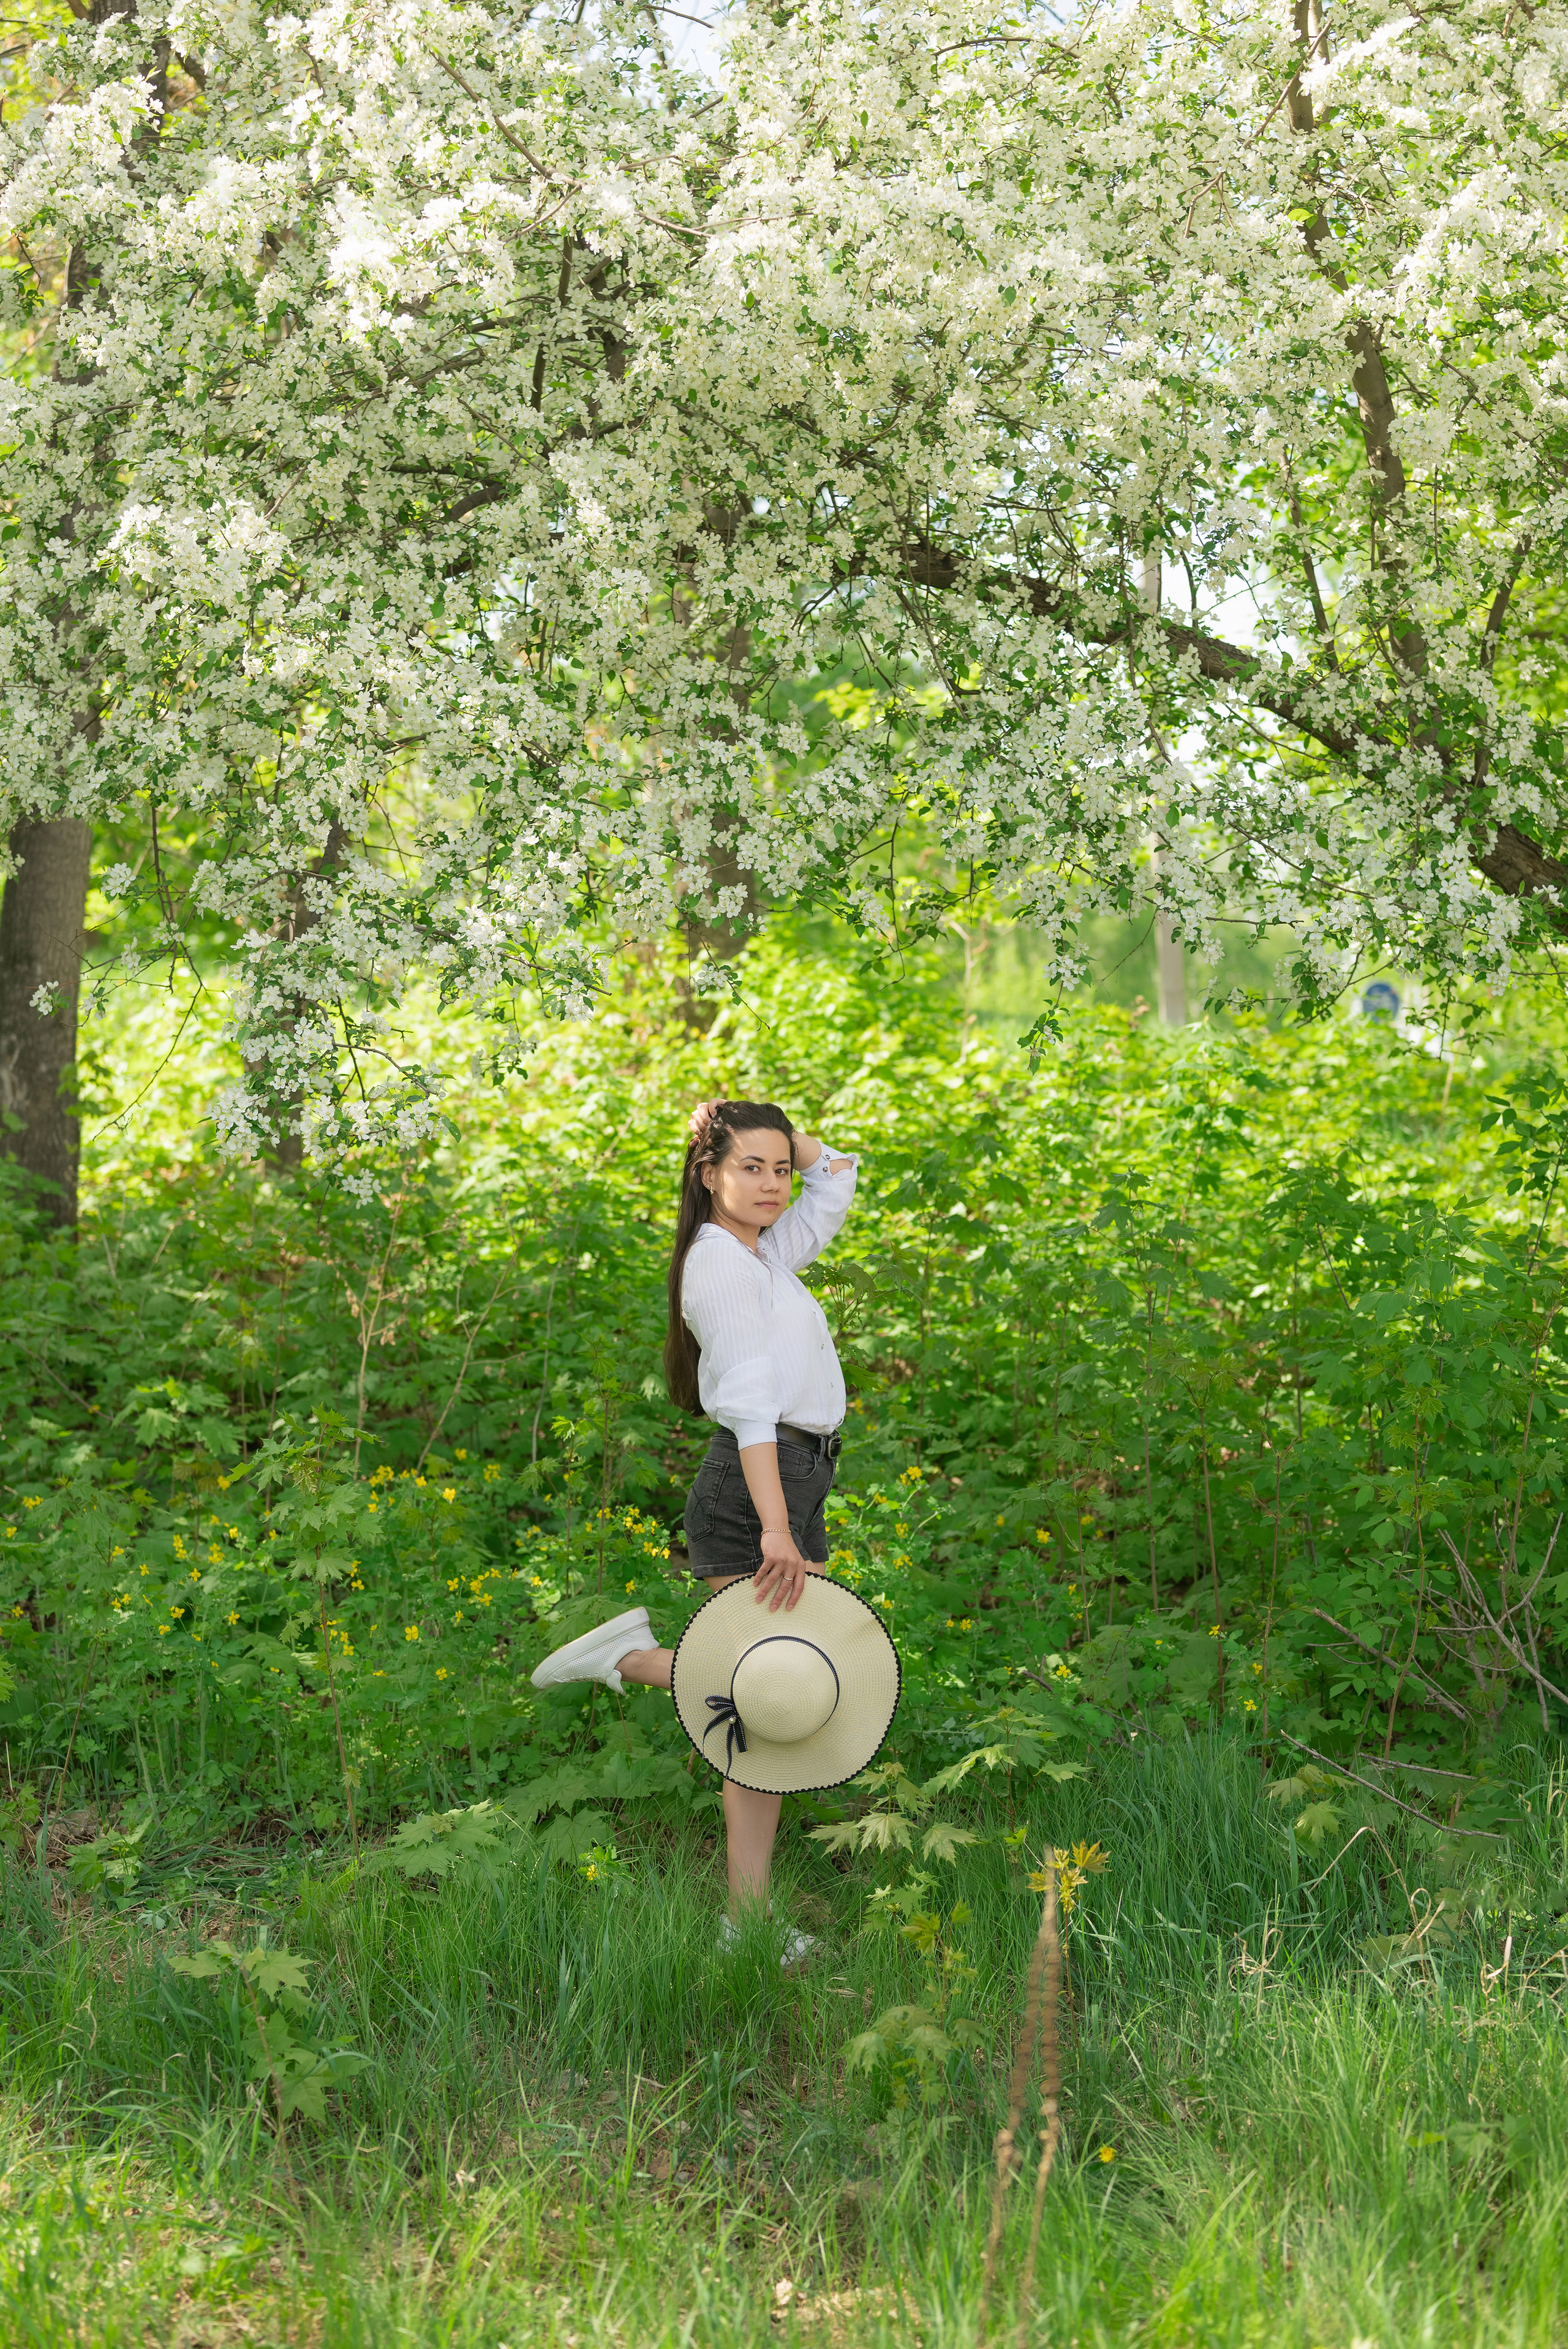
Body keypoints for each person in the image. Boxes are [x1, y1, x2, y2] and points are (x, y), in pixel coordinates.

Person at [530, 1098, 858, 1952]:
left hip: (796, 1479)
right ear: (707, 1175)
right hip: (758, 1490)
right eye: (750, 1167)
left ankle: (629, 1657)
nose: (775, 1184)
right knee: (774, 1695)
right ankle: (746, 1922)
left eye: (778, 1169)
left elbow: (835, 1179)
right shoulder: (717, 1264)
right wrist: (776, 1528)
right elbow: (749, 1408)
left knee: (789, 1688)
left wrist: (778, 1134)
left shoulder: (761, 1252)